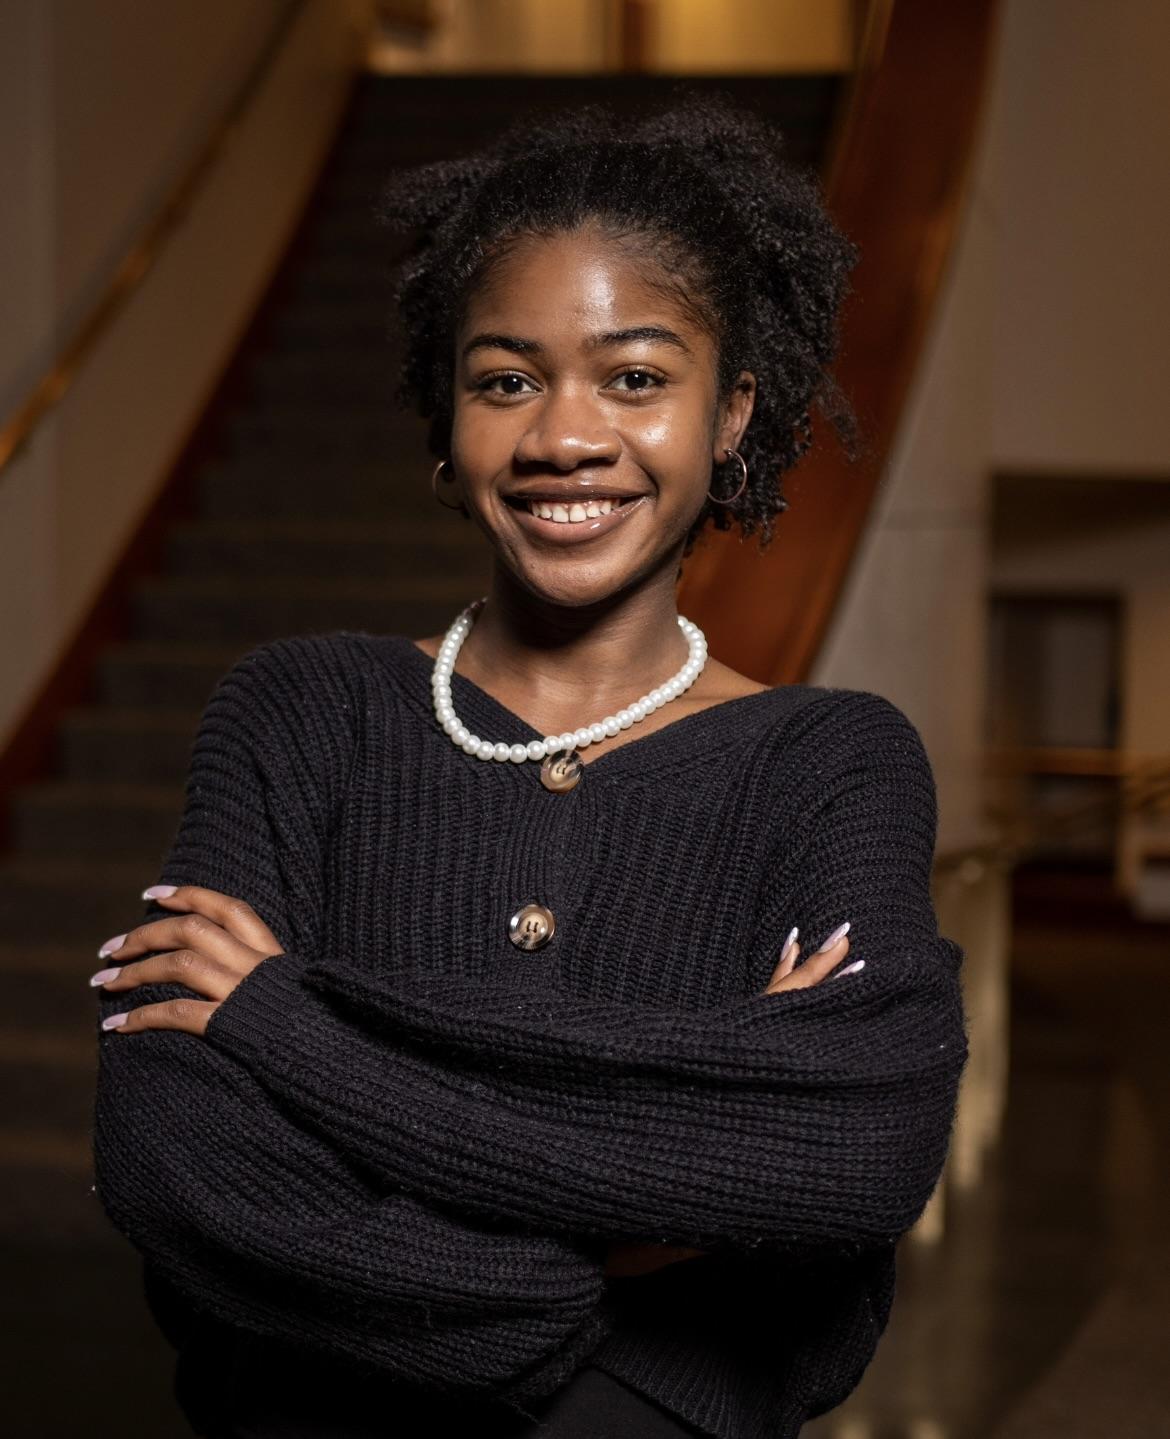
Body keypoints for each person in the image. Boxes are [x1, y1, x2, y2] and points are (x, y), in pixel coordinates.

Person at [90, 95, 969, 1438]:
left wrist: (287, 1029)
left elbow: (851, 1157)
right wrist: (630, 1231)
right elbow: (178, 1160)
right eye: (505, 379)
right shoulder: (303, 712)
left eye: (635, 377)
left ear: (729, 411)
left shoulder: (828, 762)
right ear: (446, 426)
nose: (566, 434)